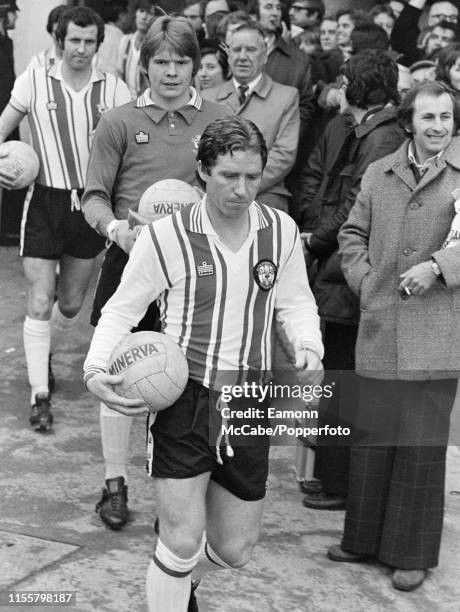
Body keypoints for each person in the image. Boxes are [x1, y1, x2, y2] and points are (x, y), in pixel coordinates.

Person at [83, 114, 324, 612]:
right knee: (181, 539)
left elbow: (296, 302)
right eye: (228, 176)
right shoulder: (164, 237)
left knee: (234, 550)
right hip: (183, 398)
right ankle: (171, 577)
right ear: (202, 171)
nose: (241, 189)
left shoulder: (280, 231)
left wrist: (309, 346)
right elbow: (122, 310)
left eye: (252, 177)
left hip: (248, 399)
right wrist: (95, 370)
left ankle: (176, 582)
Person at [82, 15, 231, 531]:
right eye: (161, 62)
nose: (171, 72)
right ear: (144, 65)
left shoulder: (219, 118)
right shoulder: (119, 121)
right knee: (122, 369)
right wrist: (118, 231)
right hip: (131, 262)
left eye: (182, 61)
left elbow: (231, 187)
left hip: (195, 269)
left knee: (181, 377)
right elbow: (94, 195)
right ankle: (114, 482)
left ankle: (175, 489)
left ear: (198, 65)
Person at [331, 81, 460, 591]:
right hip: (382, 320)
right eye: (427, 117)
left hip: (439, 326)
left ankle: (411, 553)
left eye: (446, 118)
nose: (437, 127)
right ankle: (362, 540)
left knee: (422, 447)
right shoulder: (379, 174)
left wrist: (440, 266)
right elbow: (351, 233)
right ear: (408, 122)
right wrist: (365, 282)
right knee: (374, 439)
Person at [0, 6, 131, 432]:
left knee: (71, 304)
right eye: (74, 40)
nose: (81, 48)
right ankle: (39, 394)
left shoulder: (113, 89)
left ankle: (45, 348)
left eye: (89, 41)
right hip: (43, 203)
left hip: (90, 206)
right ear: (60, 39)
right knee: (40, 297)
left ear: (98, 43)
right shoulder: (35, 81)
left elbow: (133, 146)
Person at [298, 49, 405, 510]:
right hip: (337, 266)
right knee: (338, 373)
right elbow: (321, 184)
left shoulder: (381, 139)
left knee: (344, 375)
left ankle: (340, 483)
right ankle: (332, 475)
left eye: (345, 79)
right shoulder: (360, 130)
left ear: (361, 86)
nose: (338, 87)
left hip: (349, 271)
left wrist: (314, 242)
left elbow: (354, 208)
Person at [202, 21, 300, 213]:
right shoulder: (207, 97)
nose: (243, 57)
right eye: (236, 49)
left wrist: (245, 185)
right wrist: (222, 186)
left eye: (251, 50)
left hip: (266, 194)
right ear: (228, 56)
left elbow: (284, 155)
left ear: (264, 56)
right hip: (214, 193)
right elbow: (199, 149)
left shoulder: (286, 96)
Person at [117, 0, 163, 98]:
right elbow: (119, 75)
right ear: (135, 13)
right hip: (125, 102)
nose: (144, 17)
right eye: (141, 11)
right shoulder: (126, 41)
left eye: (150, 13)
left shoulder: (158, 45)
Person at [391, 0, 459, 66]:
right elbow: (404, 24)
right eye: (441, 16)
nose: (447, 21)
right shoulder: (414, 48)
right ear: (429, 19)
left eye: (453, 17)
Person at [26, 4, 68, 71]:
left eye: (64, 32)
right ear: (51, 33)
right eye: (57, 33)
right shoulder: (38, 62)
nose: (61, 38)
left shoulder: (86, 61)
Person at [96, 0, 131, 76]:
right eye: (128, 14)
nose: (131, 18)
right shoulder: (122, 40)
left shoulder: (97, 33)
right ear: (121, 16)